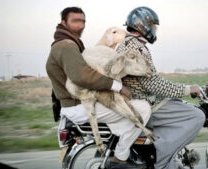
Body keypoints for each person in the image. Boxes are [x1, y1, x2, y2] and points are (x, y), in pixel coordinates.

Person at [46, 7, 152, 169]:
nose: (80, 25)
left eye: (82, 21)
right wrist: (118, 87)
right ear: (63, 23)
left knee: (128, 118)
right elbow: (83, 76)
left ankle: (123, 149)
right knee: (143, 108)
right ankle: (120, 158)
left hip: (74, 104)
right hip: (79, 106)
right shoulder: (67, 46)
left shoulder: (64, 44)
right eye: (75, 21)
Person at [115, 6, 206, 169]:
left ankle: (164, 155)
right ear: (141, 25)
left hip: (141, 101)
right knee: (197, 115)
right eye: (153, 26)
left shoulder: (127, 44)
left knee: (178, 104)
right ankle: (162, 160)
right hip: (148, 104)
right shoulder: (136, 47)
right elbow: (153, 84)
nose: (155, 29)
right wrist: (188, 89)